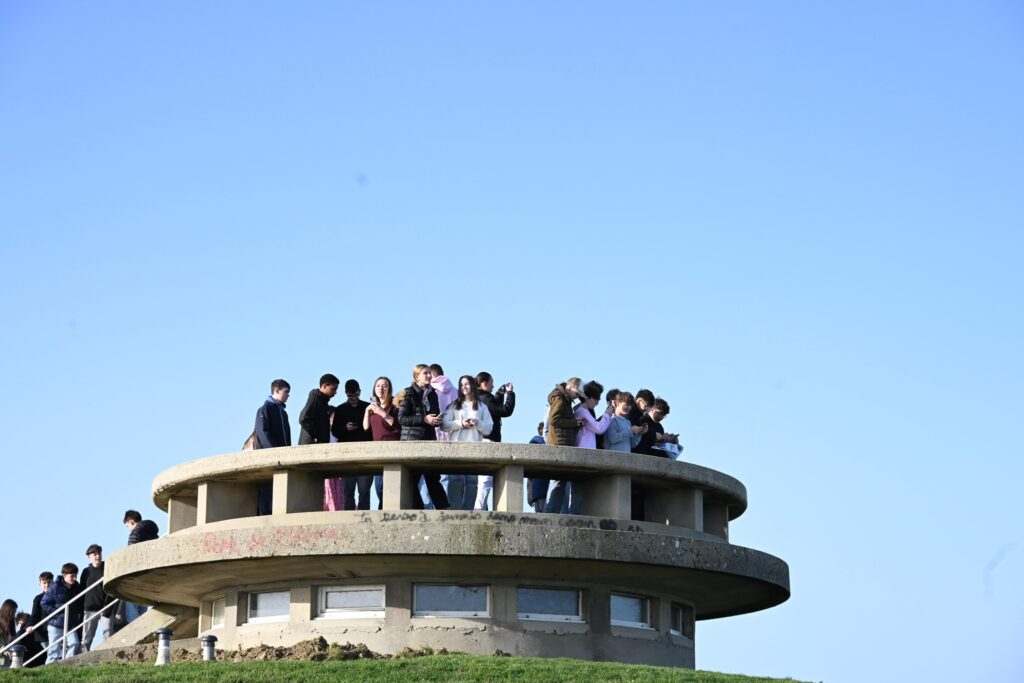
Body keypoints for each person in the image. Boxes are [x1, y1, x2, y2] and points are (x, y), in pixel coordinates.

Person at [397, 364, 450, 510]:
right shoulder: (408, 393)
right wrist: (424, 419)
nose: (428, 376)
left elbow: (434, 413)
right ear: (417, 377)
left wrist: (437, 420)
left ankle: (444, 508)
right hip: (412, 442)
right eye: (425, 373)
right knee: (412, 479)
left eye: (429, 373)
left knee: (433, 476)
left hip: (429, 440)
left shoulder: (432, 394)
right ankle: (418, 509)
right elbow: (402, 418)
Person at [440, 376, 494, 509]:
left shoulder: (482, 407)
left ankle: (468, 512)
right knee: (455, 481)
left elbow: (488, 428)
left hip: (474, 448)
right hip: (456, 448)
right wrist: (461, 424)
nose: (464, 387)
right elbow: (444, 425)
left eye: (467, 384)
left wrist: (478, 423)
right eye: (462, 384)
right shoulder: (454, 406)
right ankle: (455, 511)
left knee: (472, 483)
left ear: (473, 386)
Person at [329, 379, 373, 510]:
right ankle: (349, 516)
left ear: (360, 392)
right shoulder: (340, 409)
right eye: (350, 395)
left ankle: (364, 517)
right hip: (347, 456)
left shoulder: (367, 407)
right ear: (346, 394)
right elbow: (334, 431)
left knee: (364, 491)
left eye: (356, 395)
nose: (353, 398)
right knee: (348, 491)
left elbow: (373, 430)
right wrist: (345, 428)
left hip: (366, 455)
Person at [543, 378, 584, 515]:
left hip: (561, 443)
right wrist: (574, 422)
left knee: (560, 482)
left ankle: (553, 512)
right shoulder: (560, 399)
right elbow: (553, 420)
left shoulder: (564, 399)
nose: (577, 397)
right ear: (571, 388)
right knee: (557, 481)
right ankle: (550, 513)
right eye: (577, 393)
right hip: (558, 444)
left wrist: (575, 423)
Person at [254, 379, 292, 514]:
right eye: (286, 392)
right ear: (276, 390)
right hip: (269, 460)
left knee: (279, 492)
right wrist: (274, 452)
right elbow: (263, 433)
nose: (288, 395)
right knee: (267, 491)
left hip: (282, 459)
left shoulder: (283, 413)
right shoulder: (264, 409)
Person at [363, 376, 401, 509]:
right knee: (378, 487)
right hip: (378, 451)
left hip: (393, 449)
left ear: (389, 388)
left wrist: (381, 412)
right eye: (378, 386)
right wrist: (367, 412)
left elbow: (396, 424)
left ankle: (384, 511)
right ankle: (382, 508)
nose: (381, 388)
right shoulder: (373, 407)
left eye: (384, 385)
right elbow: (366, 428)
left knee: (389, 485)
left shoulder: (395, 406)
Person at [122, 510, 159, 623]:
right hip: (150, 574)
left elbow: (131, 554)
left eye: (127, 526)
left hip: (137, 574)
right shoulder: (152, 533)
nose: (128, 529)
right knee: (143, 606)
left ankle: (135, 629)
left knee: (131, 608)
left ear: (132, 522)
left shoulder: (135, 533)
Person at [41, 563, 82, 663]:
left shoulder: (77, 587)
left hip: (70, 623)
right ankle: (48, 669)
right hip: (55, 623)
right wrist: (56, 612)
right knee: (53, 652)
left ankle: (66, 664)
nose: (74, 578)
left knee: (75, 643)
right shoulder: (55, 587)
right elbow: (44, 603)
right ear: (64, 575)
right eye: (72, 576)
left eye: (76, 575)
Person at [79, 545, 113, 652]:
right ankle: (83, 657)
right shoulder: (86, 572)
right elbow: (82, 591)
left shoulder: (107, 568)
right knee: (87, 638)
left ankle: (107, 656)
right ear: (89, 557)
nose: (98, 556)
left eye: (99, 553)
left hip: (106, 608)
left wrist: (107, 608)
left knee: (108, 634)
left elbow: (111, 589)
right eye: (94, 554)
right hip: (90, 609)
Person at [298, 374, 339, 445]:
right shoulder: (315, 397)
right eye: (333, 389)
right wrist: (315, 435)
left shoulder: (324, 403)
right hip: (310, 446)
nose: (335, 392)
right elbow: (304, 418)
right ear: (325, 386)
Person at [25, 572, 53, 667]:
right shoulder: (38, 599)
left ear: (53, 582)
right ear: (40, 584)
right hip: (43, 634)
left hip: (57, 630)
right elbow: (34, 615)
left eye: (49, 582)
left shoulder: (58, 596)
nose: (47, 585)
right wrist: (29, 625)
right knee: (52, 653)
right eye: (44, 583)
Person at [0, 599, 17, 666]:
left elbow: (13, 639)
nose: (14, 615)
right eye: (13, 613)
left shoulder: (11, 624)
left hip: (7, 660)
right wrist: (4, 650)